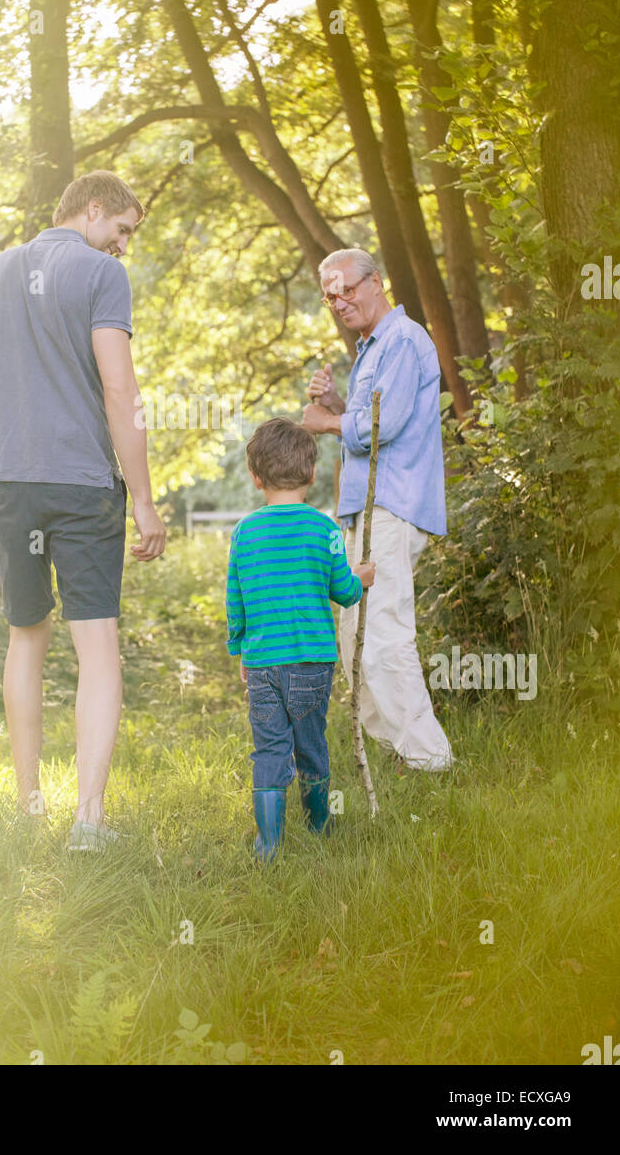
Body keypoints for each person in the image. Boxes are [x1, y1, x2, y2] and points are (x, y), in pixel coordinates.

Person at [0, 169, 166, 851]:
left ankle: (29, 804)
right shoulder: (102, 277)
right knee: (95, 644)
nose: (123, 246)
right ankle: (89, 824)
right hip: (81, 483)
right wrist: (146, 502)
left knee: (26, 635)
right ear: (93, 210)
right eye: (123, 230)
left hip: (7, 483)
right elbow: (119, 389)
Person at [302, 248, 454, 772]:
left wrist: (323, 424)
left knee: (383, 631)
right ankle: (393, 754)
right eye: (329, 295)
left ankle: (429, 760)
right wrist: (336, 409)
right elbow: (370, 421)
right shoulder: (371, 348)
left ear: (376, 282)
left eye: (346, 288)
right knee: (354, 634)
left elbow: (384, 427)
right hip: (364, 510)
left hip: (391, 505)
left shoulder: (404, 341)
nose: (338, 301)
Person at [225, 417, 375, 860]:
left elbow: (235, 601)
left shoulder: (244, 533)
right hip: (312, 663)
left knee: (269, 748)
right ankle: (318, 828)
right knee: (312, 744)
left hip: (263, 662)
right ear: (311, 474)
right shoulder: (324, 529)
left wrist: (240, 650)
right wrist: (362, 578)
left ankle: (268, 845)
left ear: (256, 477)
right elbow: (344, 592)